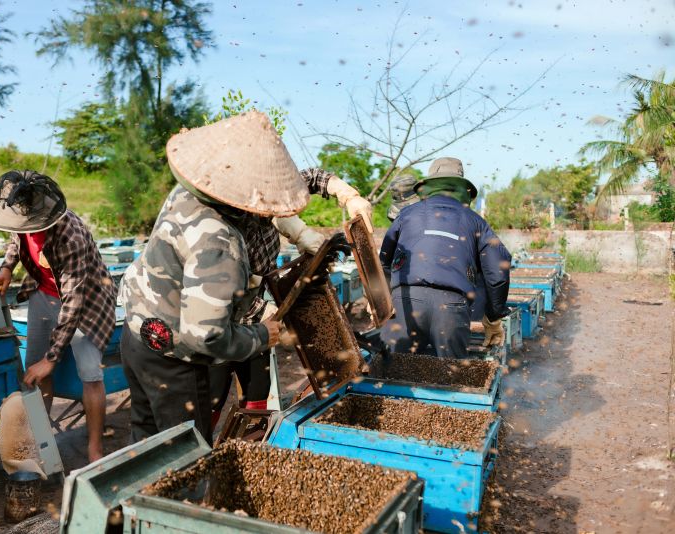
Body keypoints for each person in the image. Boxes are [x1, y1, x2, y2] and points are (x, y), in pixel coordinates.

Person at [120, 111, 363, 443]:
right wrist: (264, 335)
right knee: (180, 453)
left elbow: (292, 183)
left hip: (137, 330)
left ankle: (128, 493)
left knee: (144, 445)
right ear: (250, 201)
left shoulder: (195, 190)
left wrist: (343, 191)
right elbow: (205, 336)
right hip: (175, 350)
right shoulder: (219, 242)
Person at [208, 166, 371, 422]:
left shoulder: (269, 192)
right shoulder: (227, 228)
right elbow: (220, 291)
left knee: (259, 392)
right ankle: (204, 446)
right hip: (221, 324)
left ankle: (253, 437)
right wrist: (267, 312)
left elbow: (312, 178)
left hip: (257, 327)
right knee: (212, 396)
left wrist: (347, 194)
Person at [0, 170, 116, 462]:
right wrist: (6, 268)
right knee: (32, 372)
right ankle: (41, 445)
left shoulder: (71, 235)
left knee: (90, 374)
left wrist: (53, 358)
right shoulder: (19, 214)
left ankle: (95, 448)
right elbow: (15, 240)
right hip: (43, 294)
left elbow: (73, 302)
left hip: (88, 302)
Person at [379, 157, 511, 358]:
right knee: (450, 378)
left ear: (428, 186)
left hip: (406, 303)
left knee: (396, 374)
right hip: (452, 307)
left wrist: (385, 300)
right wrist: (493, 318)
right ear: (462, 189)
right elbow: (498, 270)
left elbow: (384, 261)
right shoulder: (475, 221)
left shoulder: (406, 214)